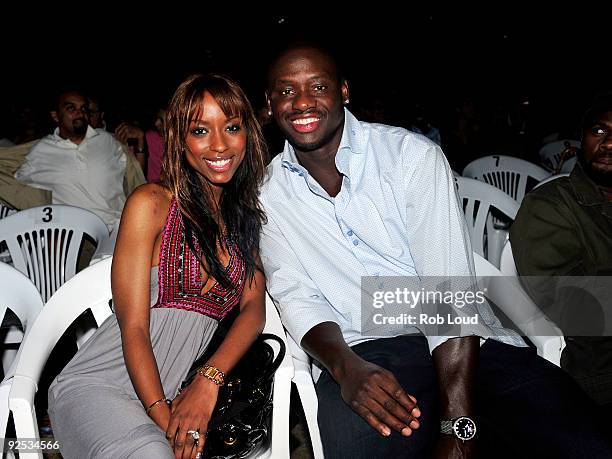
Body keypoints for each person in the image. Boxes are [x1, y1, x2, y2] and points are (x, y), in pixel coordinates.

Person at [259, 43, 612, 458]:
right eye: (286, 91)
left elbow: (446, 294)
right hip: (364, 352)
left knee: (582, 443)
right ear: (268, 104)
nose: (302, 101)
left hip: (465, 343)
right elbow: (297, 296)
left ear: (344, 91)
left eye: (317, 86)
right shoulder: (267, 194)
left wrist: (455, 426)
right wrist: (346, 369)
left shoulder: (409, 157)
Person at [47, 73, 268, 459]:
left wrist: (207, 382)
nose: (219, 144)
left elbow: (254, 309)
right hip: (103, 387)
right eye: (201, 130)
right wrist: (165, 419)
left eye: (231, 127)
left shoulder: (245, 222)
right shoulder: (151, 204)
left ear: (247, 133)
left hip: (184, 393)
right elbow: (133, 327)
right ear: (180, 140)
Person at [510, 93, 612, 420]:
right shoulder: (552, 205)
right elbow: (567, 302)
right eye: (599, 131)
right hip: (599, 372)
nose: (608, 143)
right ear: (581, 139)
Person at [13, 89, 145, 230]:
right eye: (71, 108)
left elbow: (134, 177)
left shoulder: (108, 141)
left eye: (83, 109)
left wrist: (141, 143)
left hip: (115, 231)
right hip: (72, 236)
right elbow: (16, 187)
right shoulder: (41, 151)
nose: (79, 113)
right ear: (55, 116)